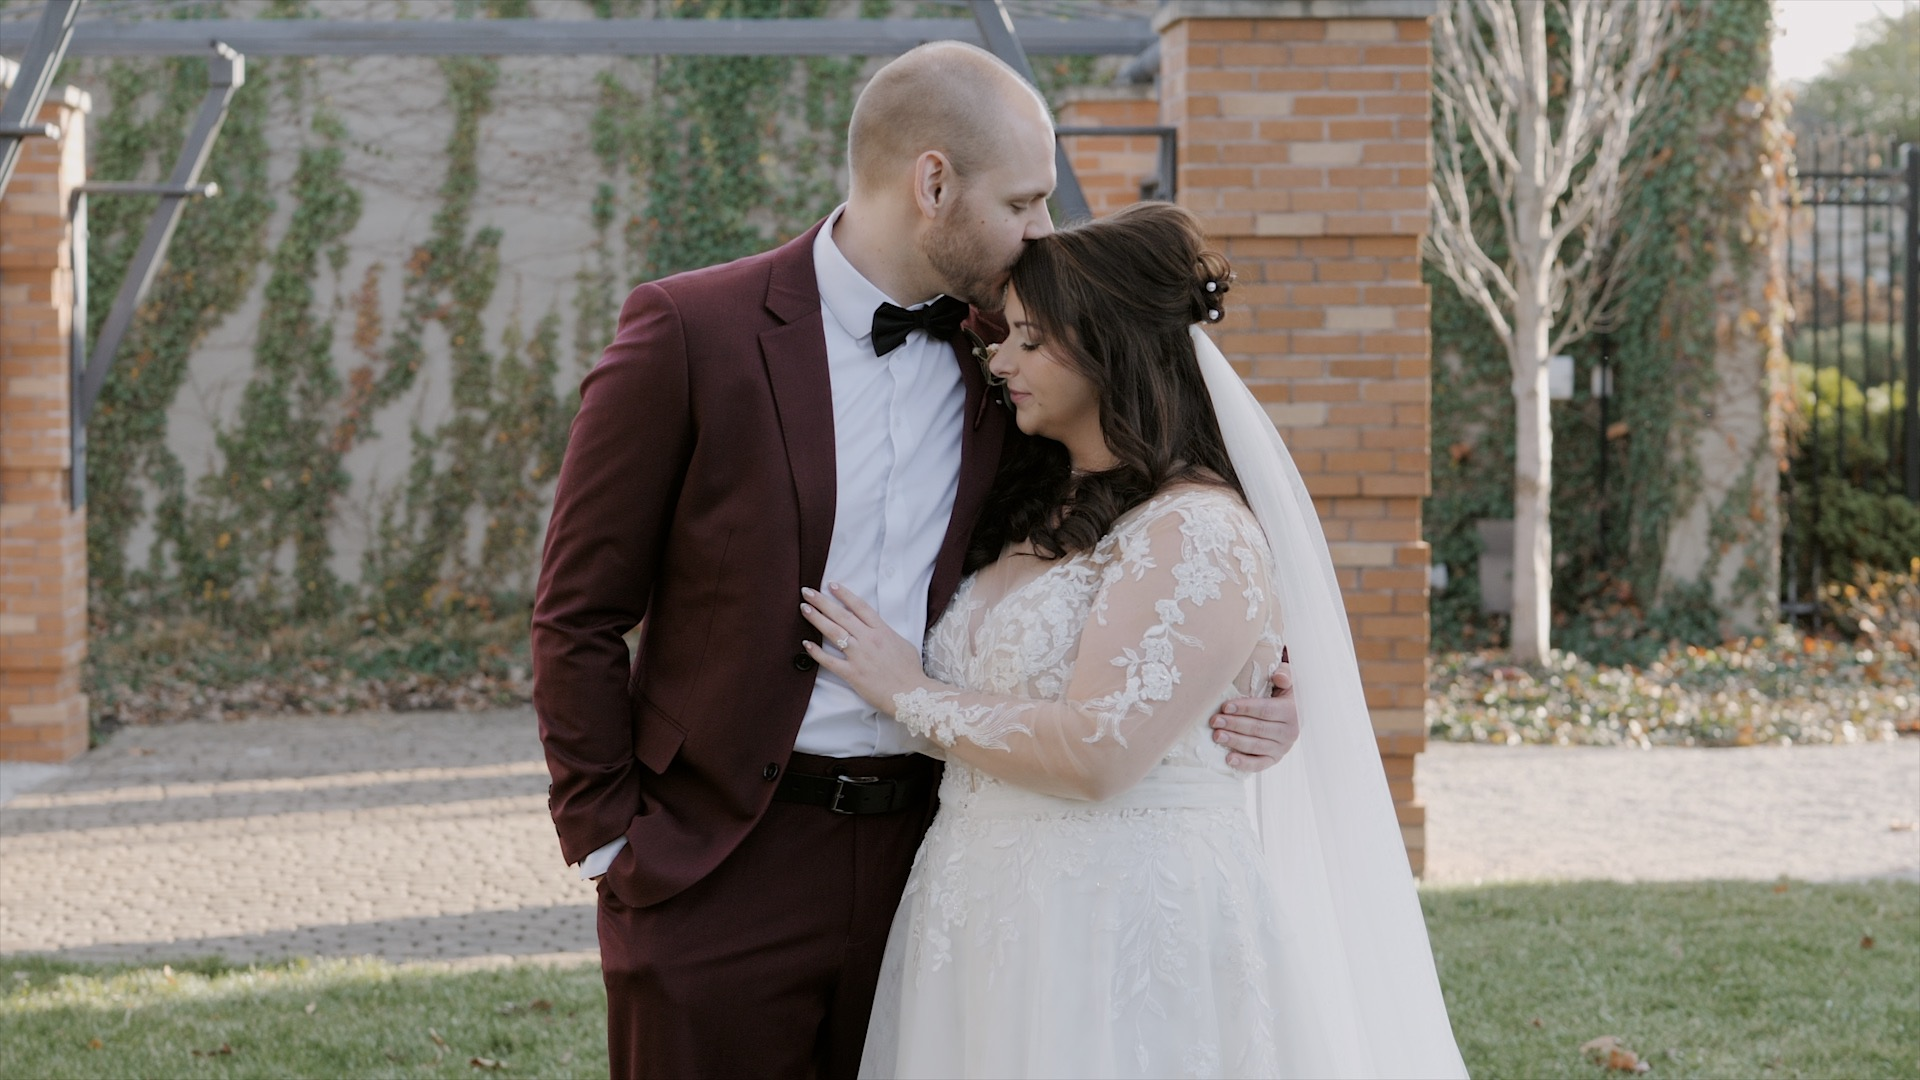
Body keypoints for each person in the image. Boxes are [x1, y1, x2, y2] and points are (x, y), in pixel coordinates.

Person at [530, 42, 1301, 1080]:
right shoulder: (691, 332)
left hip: (940, 856)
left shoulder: (1022, 355)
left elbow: (1139, 527)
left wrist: (1254, 680)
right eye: (1024, 201)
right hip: (720, 863)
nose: (1042, 229)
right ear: (933, 182)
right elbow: (576, 610)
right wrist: (612, 841)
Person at [798, 202, 1468, 1079]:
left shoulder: (1197, 530)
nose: (1000, 360)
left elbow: (1102, 751)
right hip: (977, 903)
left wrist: (906, 690)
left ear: (1110, 347)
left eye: (1031, 341)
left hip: (1120, 915)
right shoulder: (1033, 500)